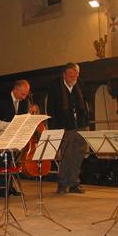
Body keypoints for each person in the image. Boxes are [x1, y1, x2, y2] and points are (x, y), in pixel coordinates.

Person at [47, 62, 89, 194]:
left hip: (80, 125)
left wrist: (87, 122)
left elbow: (85, 104)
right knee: (66, 156)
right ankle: (63, 183)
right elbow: (51, 108)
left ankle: (74, 183)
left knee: (79, 155)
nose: (74, 78)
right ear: (64, 74)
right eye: (71, 75)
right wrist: (54, 129)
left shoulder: (80, 83)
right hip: (64, 126)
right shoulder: (55, 86)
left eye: (76, 75)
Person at [0, 80, 30, 197]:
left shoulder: (24, 102)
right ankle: (2, 190)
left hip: (14, 137)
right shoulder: (1, 100)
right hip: (0, 136)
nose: (24, 97)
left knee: (10, 162)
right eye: (22, 94)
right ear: (15, 90)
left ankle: (10, 187)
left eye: (26, 94)